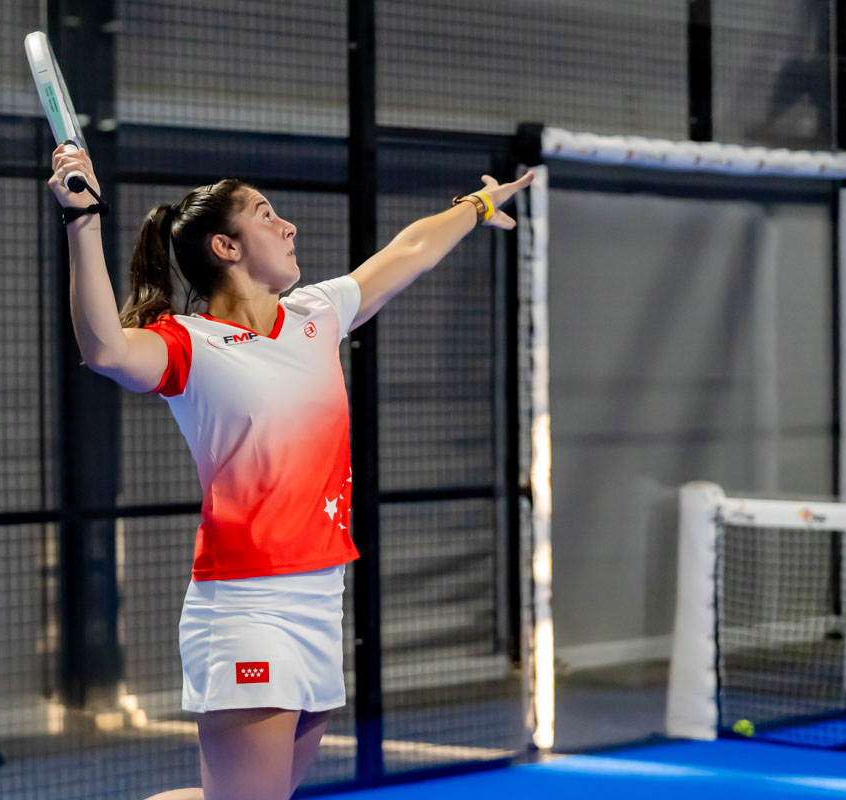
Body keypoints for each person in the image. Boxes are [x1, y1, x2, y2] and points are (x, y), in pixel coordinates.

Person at [47, 142, 533, 800]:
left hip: (320, 598)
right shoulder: (186, 344)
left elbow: (410, 251)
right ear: (226, 247)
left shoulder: (316, 314)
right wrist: (82, 219)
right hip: (247, 606)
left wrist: (477, 205)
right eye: (267, 215)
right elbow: (105, 349)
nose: (289, 226)